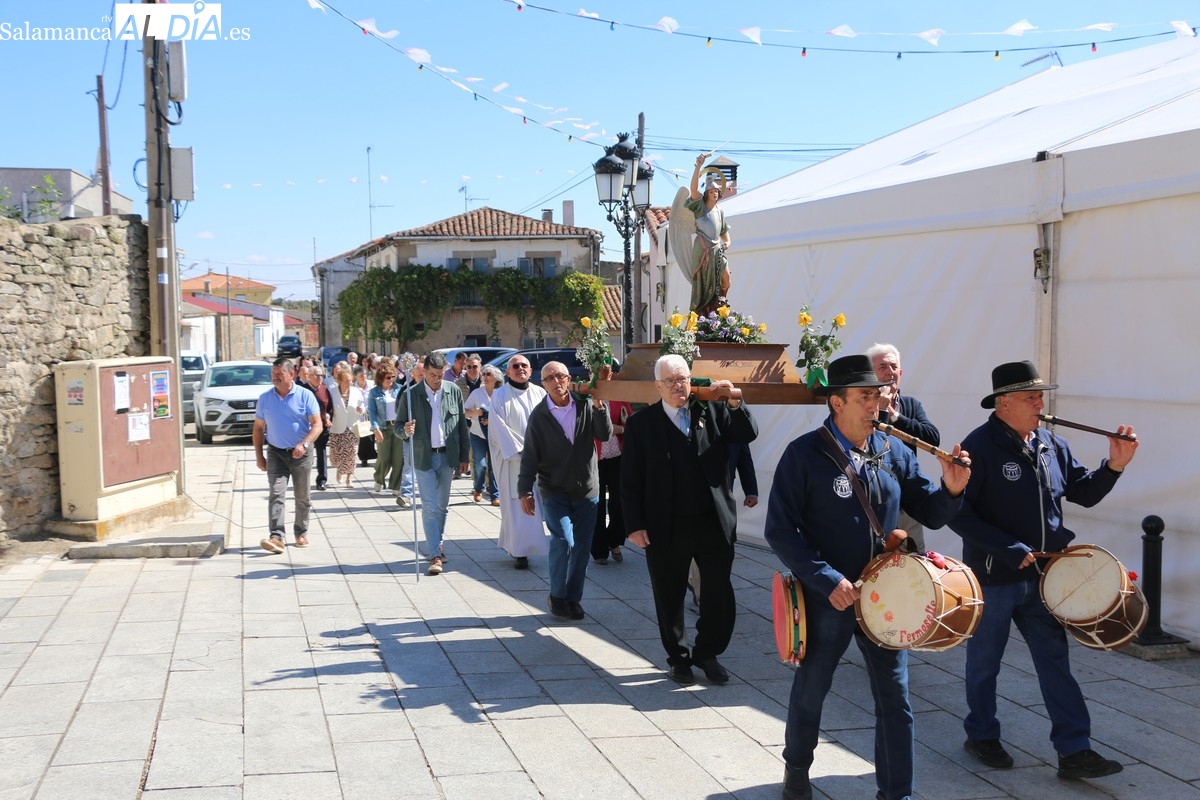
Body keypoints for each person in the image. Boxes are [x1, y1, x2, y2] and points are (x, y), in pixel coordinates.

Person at [763, 354, 971, 800]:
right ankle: (797, 768)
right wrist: (825, 580)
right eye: (865, 396)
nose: (875, 404)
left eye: (878, 395)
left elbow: (930, 510)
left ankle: (897, 793)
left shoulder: (893, 449)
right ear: (837, 403)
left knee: (895, 699)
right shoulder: (805, 453)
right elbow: (779, 530)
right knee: (813, 687)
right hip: (830, 597)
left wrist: (952, 489)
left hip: (887, 593)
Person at [949, 360, 1138, 781]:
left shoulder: (1052, 444)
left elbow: (1083, 494)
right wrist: (1008, 546)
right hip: (995, 575)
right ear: (1003, 403)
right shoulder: (977, 447)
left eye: (1041, 395)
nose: (1041, 403)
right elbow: (957, 513)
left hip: (1045, 578)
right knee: (985, 662)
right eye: (1031, 397)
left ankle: (1075, 750)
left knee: (1056, 662)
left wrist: (1114, 466)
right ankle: (981, 735)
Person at [621, 354, 757, 685]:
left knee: (717, 593)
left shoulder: (712, 410)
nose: (678, 386)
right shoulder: (642, 424)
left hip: (712, 520)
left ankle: (707, 652)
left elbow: (747, 433)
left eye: (682, 379)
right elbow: (630, 478)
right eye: (670, 381)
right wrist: (634, 525)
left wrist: (735, 400)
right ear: (658, 386)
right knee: (669, 594)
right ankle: (678, 657)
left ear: (691, 379)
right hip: (665, 524)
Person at [518, 362, 612, 620]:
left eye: (560, 376)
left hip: (587, 490)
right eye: (550, 378)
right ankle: (557, 596)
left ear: (569, 378)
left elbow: (604, 435)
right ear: (543, 384)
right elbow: (530, 456)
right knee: (563, 541)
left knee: (582, 548)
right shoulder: (539, 416)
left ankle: (573, 599)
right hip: (554, 489)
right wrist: (524, 490)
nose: (556, 381)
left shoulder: (584, 404)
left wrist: (599, 403)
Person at [395, 352, 469, 575]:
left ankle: (438, 542)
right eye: (433, 375)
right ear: (423, 372)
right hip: (424, 456)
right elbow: (398, 427)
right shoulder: (412, 395)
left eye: (441, 375)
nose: (437, 379)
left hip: (448, 456)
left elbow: (462, 426)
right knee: (429, 506)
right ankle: (435, 553)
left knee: (442, 506)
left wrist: (465, 457)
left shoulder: (453, 390)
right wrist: (405, 430)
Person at [867, 342, 941, 552]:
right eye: (882, 367)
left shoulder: (910, 405)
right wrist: (879, 411)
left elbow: (933, 438)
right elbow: (872, 444)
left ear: (901, 372)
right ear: (870, 374)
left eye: (893, 367)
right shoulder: (863, 406)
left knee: (913, 565)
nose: (889, 372)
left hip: (907, 504)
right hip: (873, 502)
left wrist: (895, 416)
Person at [252, 357, 323, 554]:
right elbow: (258, 429)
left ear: (291, 374)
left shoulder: (305, 396)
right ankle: (276, 536)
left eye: (279, 374)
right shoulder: (265, 398)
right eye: (272, 374)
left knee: (302, 496)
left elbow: (318, 424)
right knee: (276, 493)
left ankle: (301, 531)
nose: (274, 377)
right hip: (276, 452)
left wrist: (304, 443)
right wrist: (259, 456)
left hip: (301, 453)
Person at [489, 355, 549, 568]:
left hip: (540, 459)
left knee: (539, 504)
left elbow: (549, 423)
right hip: (515, 460)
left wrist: (541, 451)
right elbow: (498, 428)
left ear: (531, 371)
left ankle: (531, 545)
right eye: (515, 366)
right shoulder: (499, 395)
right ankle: (520, 552)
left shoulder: (541, 393)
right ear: (507, 372)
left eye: (524, 365)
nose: (520, 369)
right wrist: (524, 452)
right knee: (517, 506)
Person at [590, 364, 632, 565]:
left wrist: (617, 429)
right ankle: (599, 549)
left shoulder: (618, 394)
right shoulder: (587, 395)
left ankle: (614, 540)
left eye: (609, 373)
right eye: (601, 372)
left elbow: (630, 423)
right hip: (594, 458)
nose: (606, 376)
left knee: (620, 503)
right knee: (596, 504)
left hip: (617, 456)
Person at [687, 153, 732, 315]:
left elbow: (725, 234)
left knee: (726, 277)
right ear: (706, 193)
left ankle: (721, 303)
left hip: (717, 251)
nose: (715, 193)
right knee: (703, 285)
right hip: (702, 249)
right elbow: (693, 190)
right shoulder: (700, 207)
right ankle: (702, 311)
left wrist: (727, 243)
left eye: (717, 191)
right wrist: (698, 166)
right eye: (712, 191)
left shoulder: (720, 212)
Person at [368, 360, 413, 499]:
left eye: (393, 377)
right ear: (381, 378)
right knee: (384, 457)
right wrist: (375, 429)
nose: (391, 380)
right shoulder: (374, 392)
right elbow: (372, 412)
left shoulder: (400, 389)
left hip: (398, 427)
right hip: (383, 427)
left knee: (399, 458)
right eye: (388, 377)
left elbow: (405, 406)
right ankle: (379, 478)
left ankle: (396, 485)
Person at [463, 364, 502, 504]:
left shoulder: (501, 393)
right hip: (477, 434)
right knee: (481, 464)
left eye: (488, 374)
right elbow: (465, 411)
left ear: (496, 377)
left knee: (494, 465)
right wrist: (476, 413)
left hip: (496, 435)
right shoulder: (477, 393)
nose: (485, 377)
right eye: (483, 374)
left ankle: (495, 495)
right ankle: (478, 488)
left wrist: (491, 419)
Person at [327, 363, 367, 487]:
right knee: (336, 454)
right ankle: (340, 469)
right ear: (339, 381)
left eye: (350, 380)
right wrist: (327, 417)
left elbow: (363, 406)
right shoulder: (332, 392)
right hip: (337, 427)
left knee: (351, 453)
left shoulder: (356, 391)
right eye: (346, 381)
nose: (349, 383)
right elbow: (328, 408)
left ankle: (349, 477)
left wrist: (362, 410)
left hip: (352, 426)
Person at [296, 358, 332, 491]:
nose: (320, 378)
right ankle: (302, 480)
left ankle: (322, 480)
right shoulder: (302, 391)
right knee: (305, 455)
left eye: (322, 375)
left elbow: (329, 407)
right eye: (317, 375)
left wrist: (328, 417)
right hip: (305, 428)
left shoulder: (324, 390)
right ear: (309, 377)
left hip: (321, 427)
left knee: (321, 453)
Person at [353, 365, 376, 466]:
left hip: (372, 413)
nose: (364, 377)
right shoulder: (353, 387)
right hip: (360, 415)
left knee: (372, 435)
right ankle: (363, 458)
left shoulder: (372, 385)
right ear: (356, 377)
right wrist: (356, 408)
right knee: (363, 436)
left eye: (365, 374)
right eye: (361, 375)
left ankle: (371, 454)